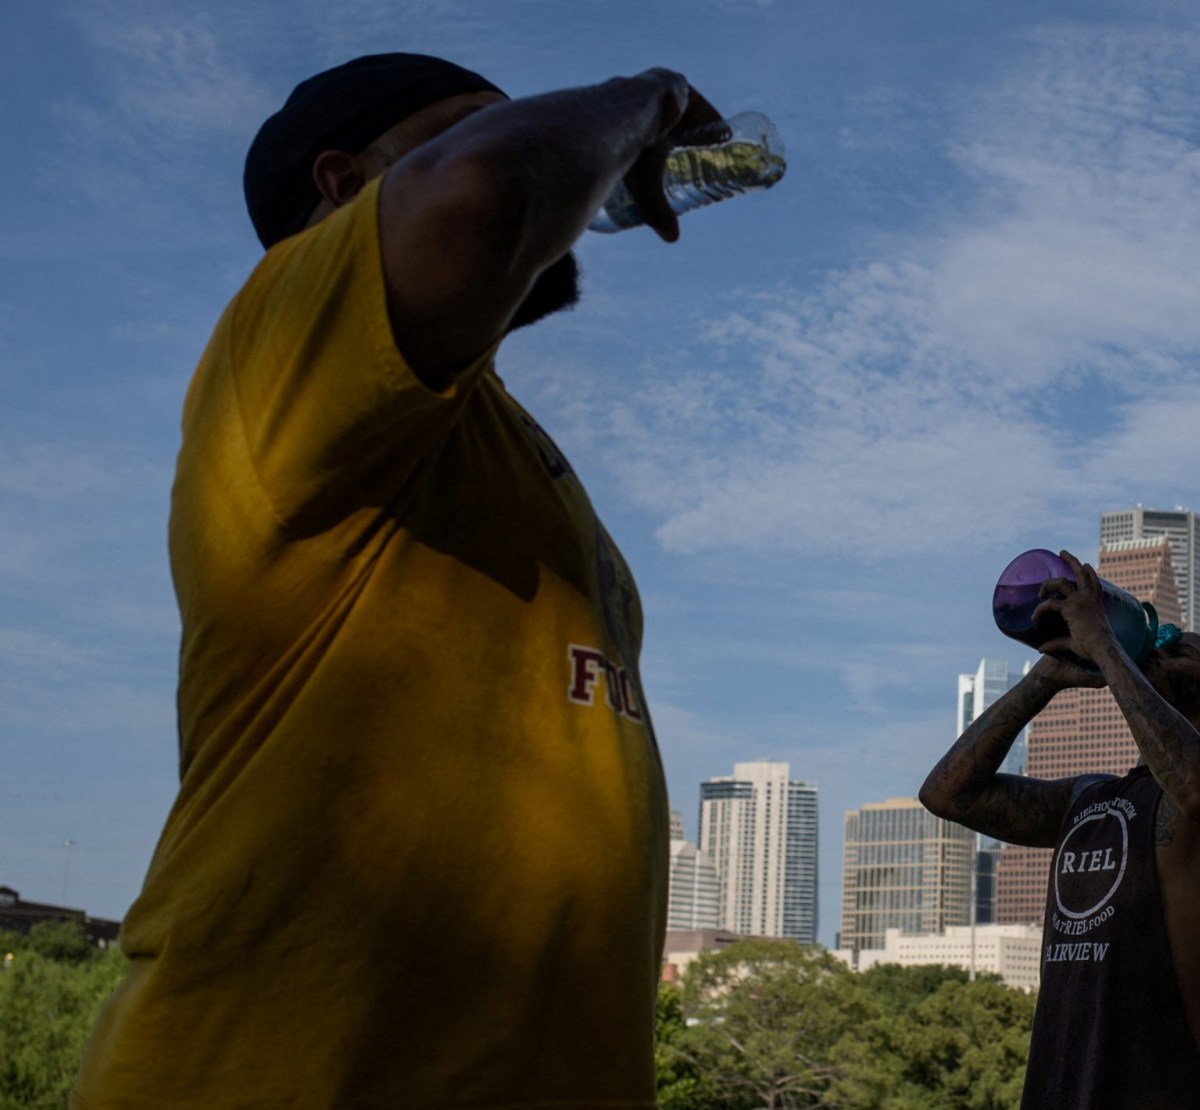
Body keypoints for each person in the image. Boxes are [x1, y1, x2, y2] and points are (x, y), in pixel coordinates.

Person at [72, 54, 726, 1107]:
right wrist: (648, 100)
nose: (563, 163)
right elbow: (479, 193)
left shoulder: (481, 437)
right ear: (342, 185)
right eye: (473, 124)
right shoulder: (284, 325)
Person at [920, 550, 1200, 1110]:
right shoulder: (1087, 796)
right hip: (1064, 1078)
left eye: (1177, 647)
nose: (1158, 644)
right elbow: (946, 795)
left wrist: (1106, 646)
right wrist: (1044, 681)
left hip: (1163, 1083)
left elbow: (1199, 794)